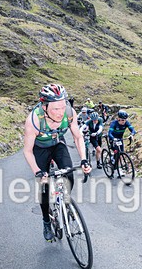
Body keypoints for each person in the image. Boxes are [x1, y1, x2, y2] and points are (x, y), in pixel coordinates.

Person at [23, 83, 91, 241]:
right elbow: (27, 151)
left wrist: (83, 159)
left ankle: (65, 204)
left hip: (57, 144)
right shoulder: (34, 120)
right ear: (44, 107)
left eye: (62, 107)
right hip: (40, 149)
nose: (60, 113)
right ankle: (47, 221)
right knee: (44, 189)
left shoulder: (69, 113)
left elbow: (77, 136)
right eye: (55, 109)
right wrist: (37, 172)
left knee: (69, 175)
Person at [105, 110, 137, 177]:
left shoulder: (126, 123)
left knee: (121, 153)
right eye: (122, 120)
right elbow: (109, 133)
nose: (124, 122)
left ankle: (119, 169)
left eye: (125, 120)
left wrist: (132, 134)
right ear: (118, 118)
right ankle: (112, 160)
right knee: (116, 152)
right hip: (113, 139)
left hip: (120, 139)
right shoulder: (114, 123)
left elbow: (132, 129)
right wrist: (113, 138)